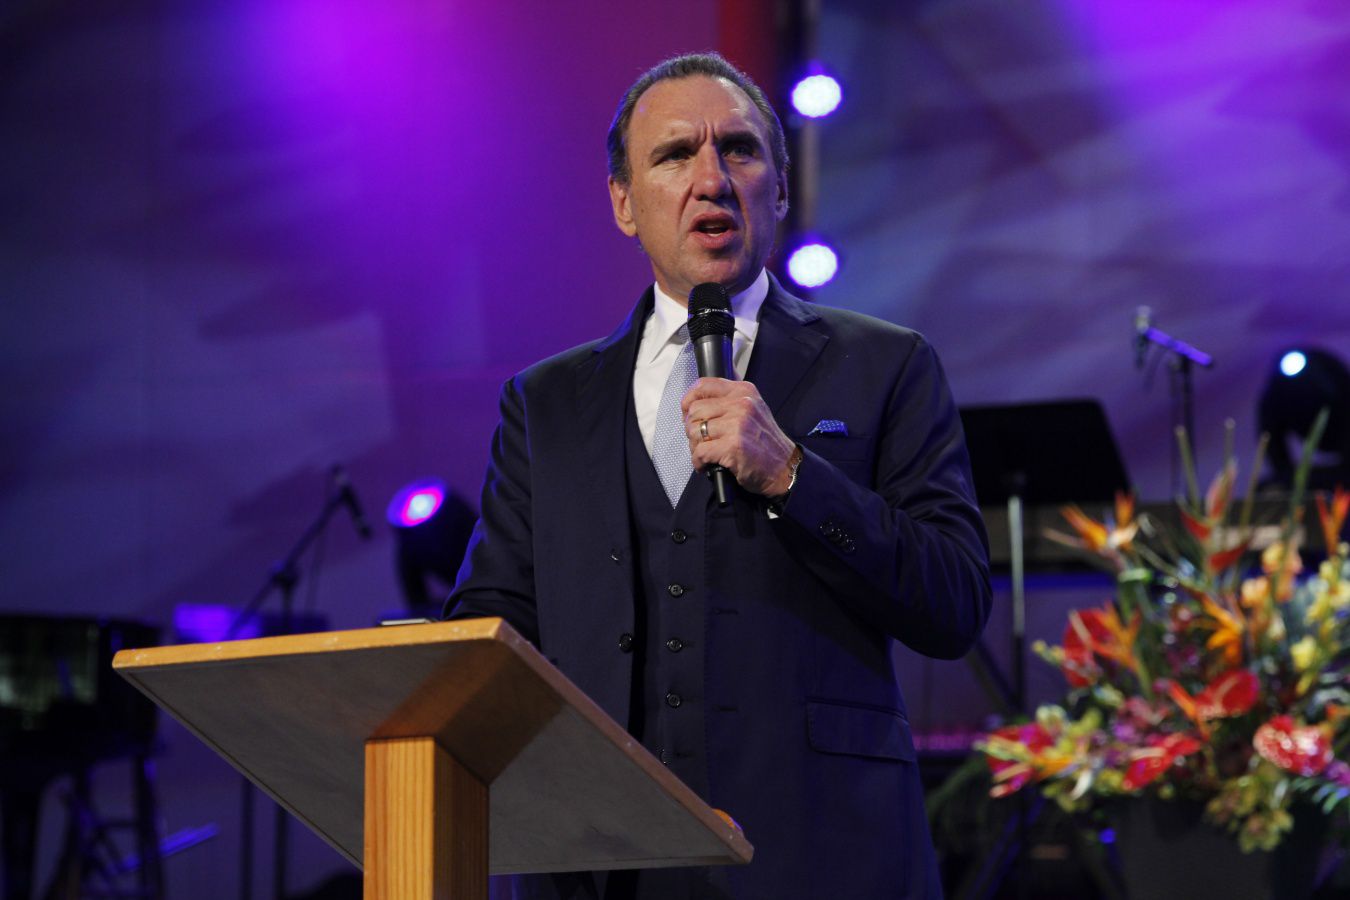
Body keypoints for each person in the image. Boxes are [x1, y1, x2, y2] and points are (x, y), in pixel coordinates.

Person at [446, 52, 991, 900]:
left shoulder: (887, 365)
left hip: (821, 856)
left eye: (738, 149)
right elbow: (492, 627)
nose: (712, 180)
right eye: (674, 155)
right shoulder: (545, 403)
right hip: (602, 862)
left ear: (781, 188)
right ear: (624, 203)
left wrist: (794, 475)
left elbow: (953, 601)